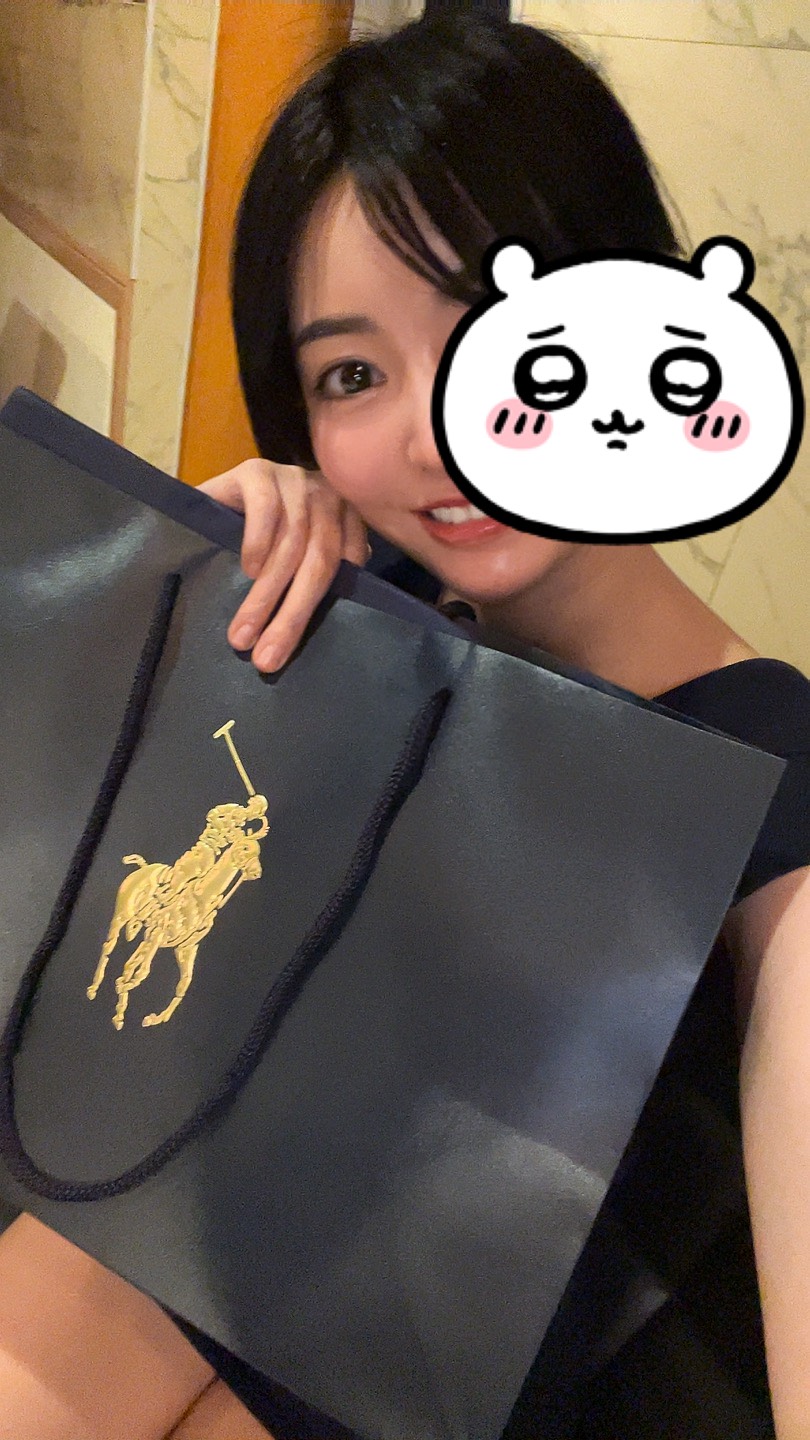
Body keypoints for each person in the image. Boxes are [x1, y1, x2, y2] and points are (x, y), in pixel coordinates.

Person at [0, 13, 807, 1440]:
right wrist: (209, 601)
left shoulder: (769, 802)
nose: (440, 430)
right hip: (169, 1250)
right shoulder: (379, 661)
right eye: (351, 377)